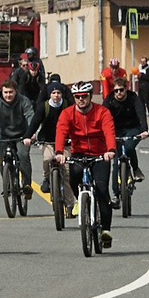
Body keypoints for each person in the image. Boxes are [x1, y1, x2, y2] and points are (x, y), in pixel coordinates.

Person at [50, 83, 116, 248]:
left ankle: (105, 230)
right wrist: (59, 152)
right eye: (77, 97)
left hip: (100, 155)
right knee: (74, 179)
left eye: (84, 96)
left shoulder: (102, 112)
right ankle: (80, 200)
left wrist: (110, 150)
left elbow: (109, 131)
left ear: (90, 96)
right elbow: (61, 131)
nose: (81, 100)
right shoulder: (67, 113)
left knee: (102, 191)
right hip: (79, 154)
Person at [0, 76, 40, 201]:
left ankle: (26, 185)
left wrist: (31, 133)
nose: (8, 95)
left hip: (22, 135)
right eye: (6, 92)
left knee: (23, 155)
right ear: (1, 92)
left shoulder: (23, 101)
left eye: (11, 92)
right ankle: (7, 185)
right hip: (4, 135)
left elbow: (30, 115)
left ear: (15, 91)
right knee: (3, 160)